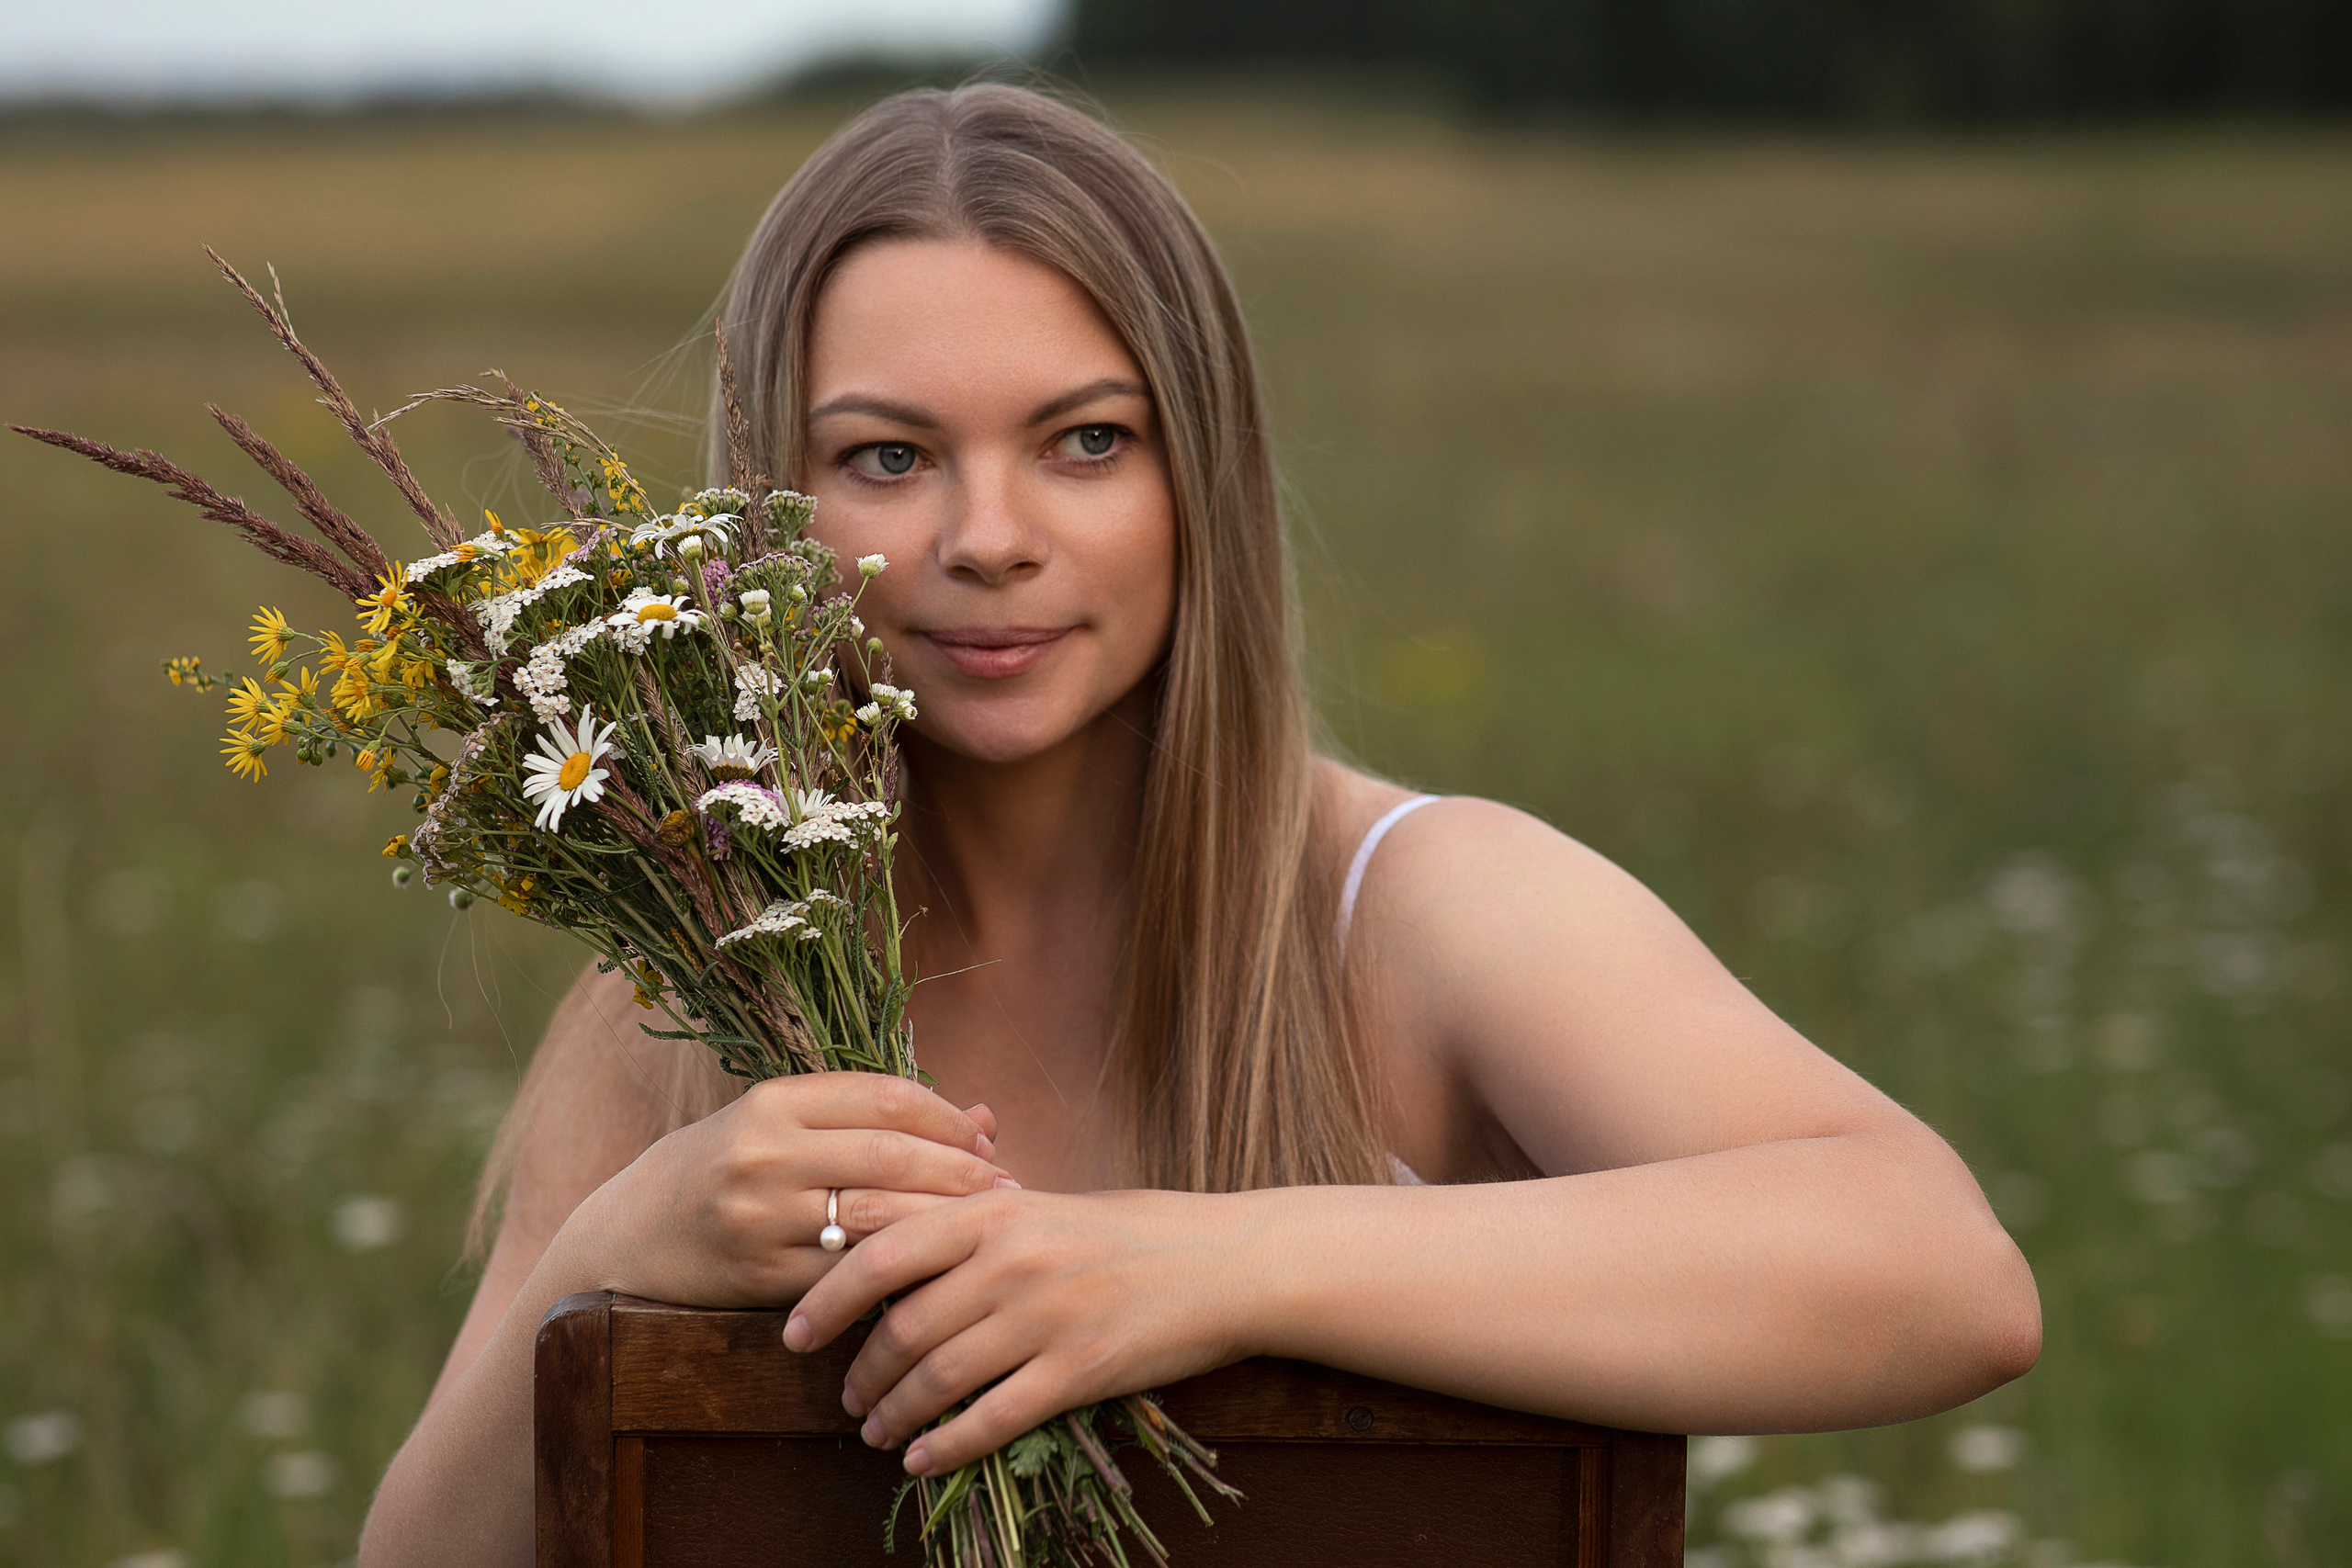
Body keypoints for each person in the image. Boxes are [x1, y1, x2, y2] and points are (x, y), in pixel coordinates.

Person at [357, 82, 2039, 1563]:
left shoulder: (1416, 908)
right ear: (764, 509)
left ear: (1199, 482)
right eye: (887, 458)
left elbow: (1943, 1274)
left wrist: (1207, 1269)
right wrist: (607, 1257)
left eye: (1087, 442)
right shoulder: (687, 1003)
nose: (989, 537)